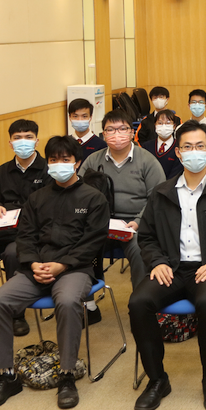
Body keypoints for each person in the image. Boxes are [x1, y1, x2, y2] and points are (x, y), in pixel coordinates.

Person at [0, 136, 110, 410]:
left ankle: (66, 374)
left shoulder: (93, 198)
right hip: (36, 268)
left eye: (65, 160)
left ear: (77, 163)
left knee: (67, 301)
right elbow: (24, 237)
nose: (58, 165)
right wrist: (33, 263)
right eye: (53, 160)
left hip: (74, 268)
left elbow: (93, 241)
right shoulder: (37, 198)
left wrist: (62, 264)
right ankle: (7, 375)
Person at [131, 121, 206, 410]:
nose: (194, 152)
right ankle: (158, 380)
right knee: (138, 302)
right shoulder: (162, 193)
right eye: (187, 147)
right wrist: (157, 262)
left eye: (200, 146)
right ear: (177, 152)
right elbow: (145, 237)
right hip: (171, 268)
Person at [0, 118, 50, 338]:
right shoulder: (1, 172)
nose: (23, 142)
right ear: (10, 143)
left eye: (28, 137)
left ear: (37, 140)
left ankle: (17, 314)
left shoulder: (48, 171)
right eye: (17, 138)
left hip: (33, 234)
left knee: (14, 253)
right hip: (3, 230)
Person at [80, 110, 166, 289]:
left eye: (122, 129)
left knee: (140, 249)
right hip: (98, 223)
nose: (116, 134)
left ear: (131, 132)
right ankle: (87, 301)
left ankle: (141, 300)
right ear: (103, 134)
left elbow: (157, 198)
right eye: (110, 130)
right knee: (76, 243)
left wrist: (138, 221)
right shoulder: (92, 160)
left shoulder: (147, 161)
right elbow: (77, 193)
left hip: (135, 225)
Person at [141, 110, 183, 179]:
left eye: (168, 123)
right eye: (160, 123)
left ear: (174, 126)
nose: (164, 126)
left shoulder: (179, 147)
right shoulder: (146, 147)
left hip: (171, 186)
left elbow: (176, 174)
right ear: (155, 126)